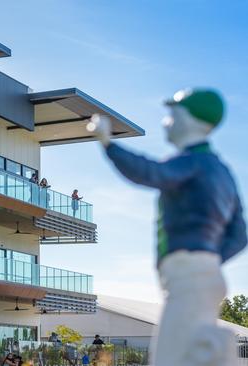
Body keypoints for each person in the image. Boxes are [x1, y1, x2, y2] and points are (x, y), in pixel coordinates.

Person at [87, 88, 247, 366]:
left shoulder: (191, 163)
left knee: (169, 358)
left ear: (191, 120)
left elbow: (150, 172)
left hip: (189, 277)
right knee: (197, 351)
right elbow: (240, 234)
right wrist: (208, 258)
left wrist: (107, 143)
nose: (165, 122)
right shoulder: (222, 172)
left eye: (172, 115)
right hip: (204, 275)